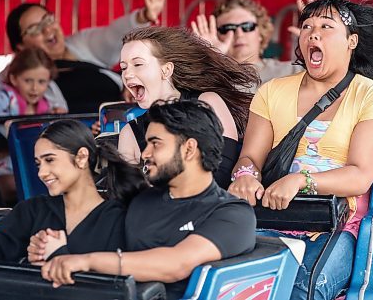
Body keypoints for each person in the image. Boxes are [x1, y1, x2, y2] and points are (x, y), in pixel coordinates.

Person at [228, 0, 373, 300]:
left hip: (338, 223)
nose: (314, 33)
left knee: (300, 290)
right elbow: (250, 157)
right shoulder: (272, 91)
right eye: (307, 26)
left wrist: (303, 180)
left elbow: (360, 176)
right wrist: (245, 176)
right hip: (273, 214)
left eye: (326, 27)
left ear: (352, 41)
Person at [37, 100, 257, 300]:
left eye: (156, 144)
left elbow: (175, 264)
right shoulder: (141, 200)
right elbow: (95, 244)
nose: (144, 153)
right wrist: (52, 249)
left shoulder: (232, 214)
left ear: (189, 149)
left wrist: (86, 261)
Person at [0, 119, 144, 263]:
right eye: (38, 164)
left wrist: (57, 256)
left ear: (81, 157)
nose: (41, 173)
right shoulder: (34, 210)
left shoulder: (118, 218)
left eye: (50, 160)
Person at [0, 0, 167, 114]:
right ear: (20, 46)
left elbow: (111, 35)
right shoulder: (17, 74)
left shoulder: (80, 43)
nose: (47, 29)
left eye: (48, 20)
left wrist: (143, 17)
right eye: (35, 29)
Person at [118, 26, 259, 188]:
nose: (127, 74)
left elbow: (222, 171)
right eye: (123, 68)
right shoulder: (130, 133)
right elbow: (126, 192)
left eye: (137, 64)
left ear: (166, 70)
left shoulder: (207, 103)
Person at [0, 47, 57, 203]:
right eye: (28, 80)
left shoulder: (47, 107)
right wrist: (3, 132)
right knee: (19, 185)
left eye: (41, 82)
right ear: (13, 79)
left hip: (28, 173)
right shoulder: (3, 98)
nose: (34, 88)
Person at [191, 0, 303, 88]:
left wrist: (318, 48)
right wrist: (211, 60)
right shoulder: (209, 76)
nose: (239, 34)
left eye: (247, 26)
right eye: (228, 28)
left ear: (260, 32)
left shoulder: (292, 71)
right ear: (216, 35)